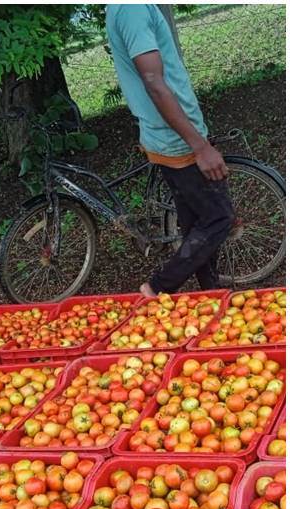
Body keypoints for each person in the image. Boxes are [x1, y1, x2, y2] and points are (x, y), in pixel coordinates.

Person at [105, 4, 232, 297]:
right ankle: (157, 287)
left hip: (175, 135)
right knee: (219, 218)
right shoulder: (131, 9)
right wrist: (199, 146)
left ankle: (211, 296)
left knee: (197, 227)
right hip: (177, 140)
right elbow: (153, 82)